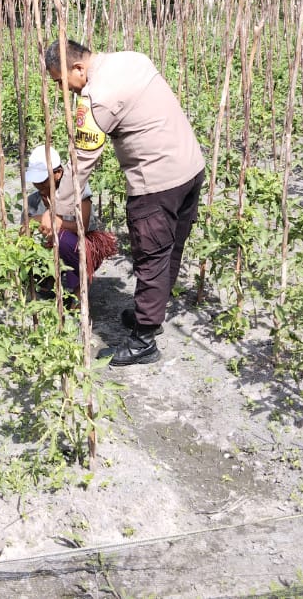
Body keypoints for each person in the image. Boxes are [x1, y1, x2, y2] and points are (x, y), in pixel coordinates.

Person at [38, 39, 205, 366]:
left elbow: (82, 160)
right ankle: (151, 315)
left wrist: (56, 211)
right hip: (191, 169)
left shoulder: (96, 97)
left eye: (60, 82)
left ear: (78, 68)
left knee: (152, 254)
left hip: (156, 184)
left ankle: (144, 341)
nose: (62, 90)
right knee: (171, 250)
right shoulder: (132, 59)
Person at [24, 145, 119, 301]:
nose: (38, 185)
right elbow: (22, 231)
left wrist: (56, 221)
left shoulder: (77, 189)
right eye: (36, 181)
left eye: (43, 180)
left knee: (61, 239)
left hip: (82, 244)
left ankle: (79, 288)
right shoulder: (34, 200)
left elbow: (83, 226)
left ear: (58, 173)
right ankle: (46, 281)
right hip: (53, 248)